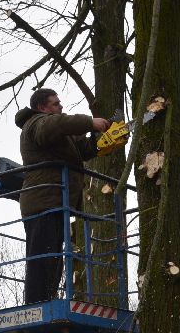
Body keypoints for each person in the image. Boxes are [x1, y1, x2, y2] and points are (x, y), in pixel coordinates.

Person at [12, 88, 110, 305]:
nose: (61, 107)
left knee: (54, 260)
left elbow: (81, 149)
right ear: (42, 108)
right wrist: (90, 122)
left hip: (57, 203)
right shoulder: (36, 124)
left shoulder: (57, 134)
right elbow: (57, 125)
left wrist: (101, 141)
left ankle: (46, 301)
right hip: (42, 203)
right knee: (42, 260)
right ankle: (37, 306)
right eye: (56, 104)